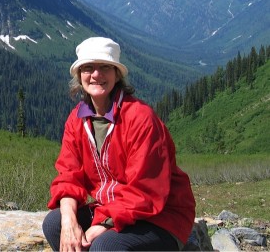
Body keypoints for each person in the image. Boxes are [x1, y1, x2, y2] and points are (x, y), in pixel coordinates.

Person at [42, 37, 195, 251]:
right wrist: (69, 221)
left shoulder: (140, 118)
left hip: (160, 217)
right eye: (88, 68)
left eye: (105, 67)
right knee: (54, 224)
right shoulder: (76, 120)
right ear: (79, 76)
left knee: (105, 246)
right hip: (112, 209)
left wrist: (102, 224)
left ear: (116, 74)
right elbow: (68, 175)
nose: (96, 74)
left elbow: (146, 191)